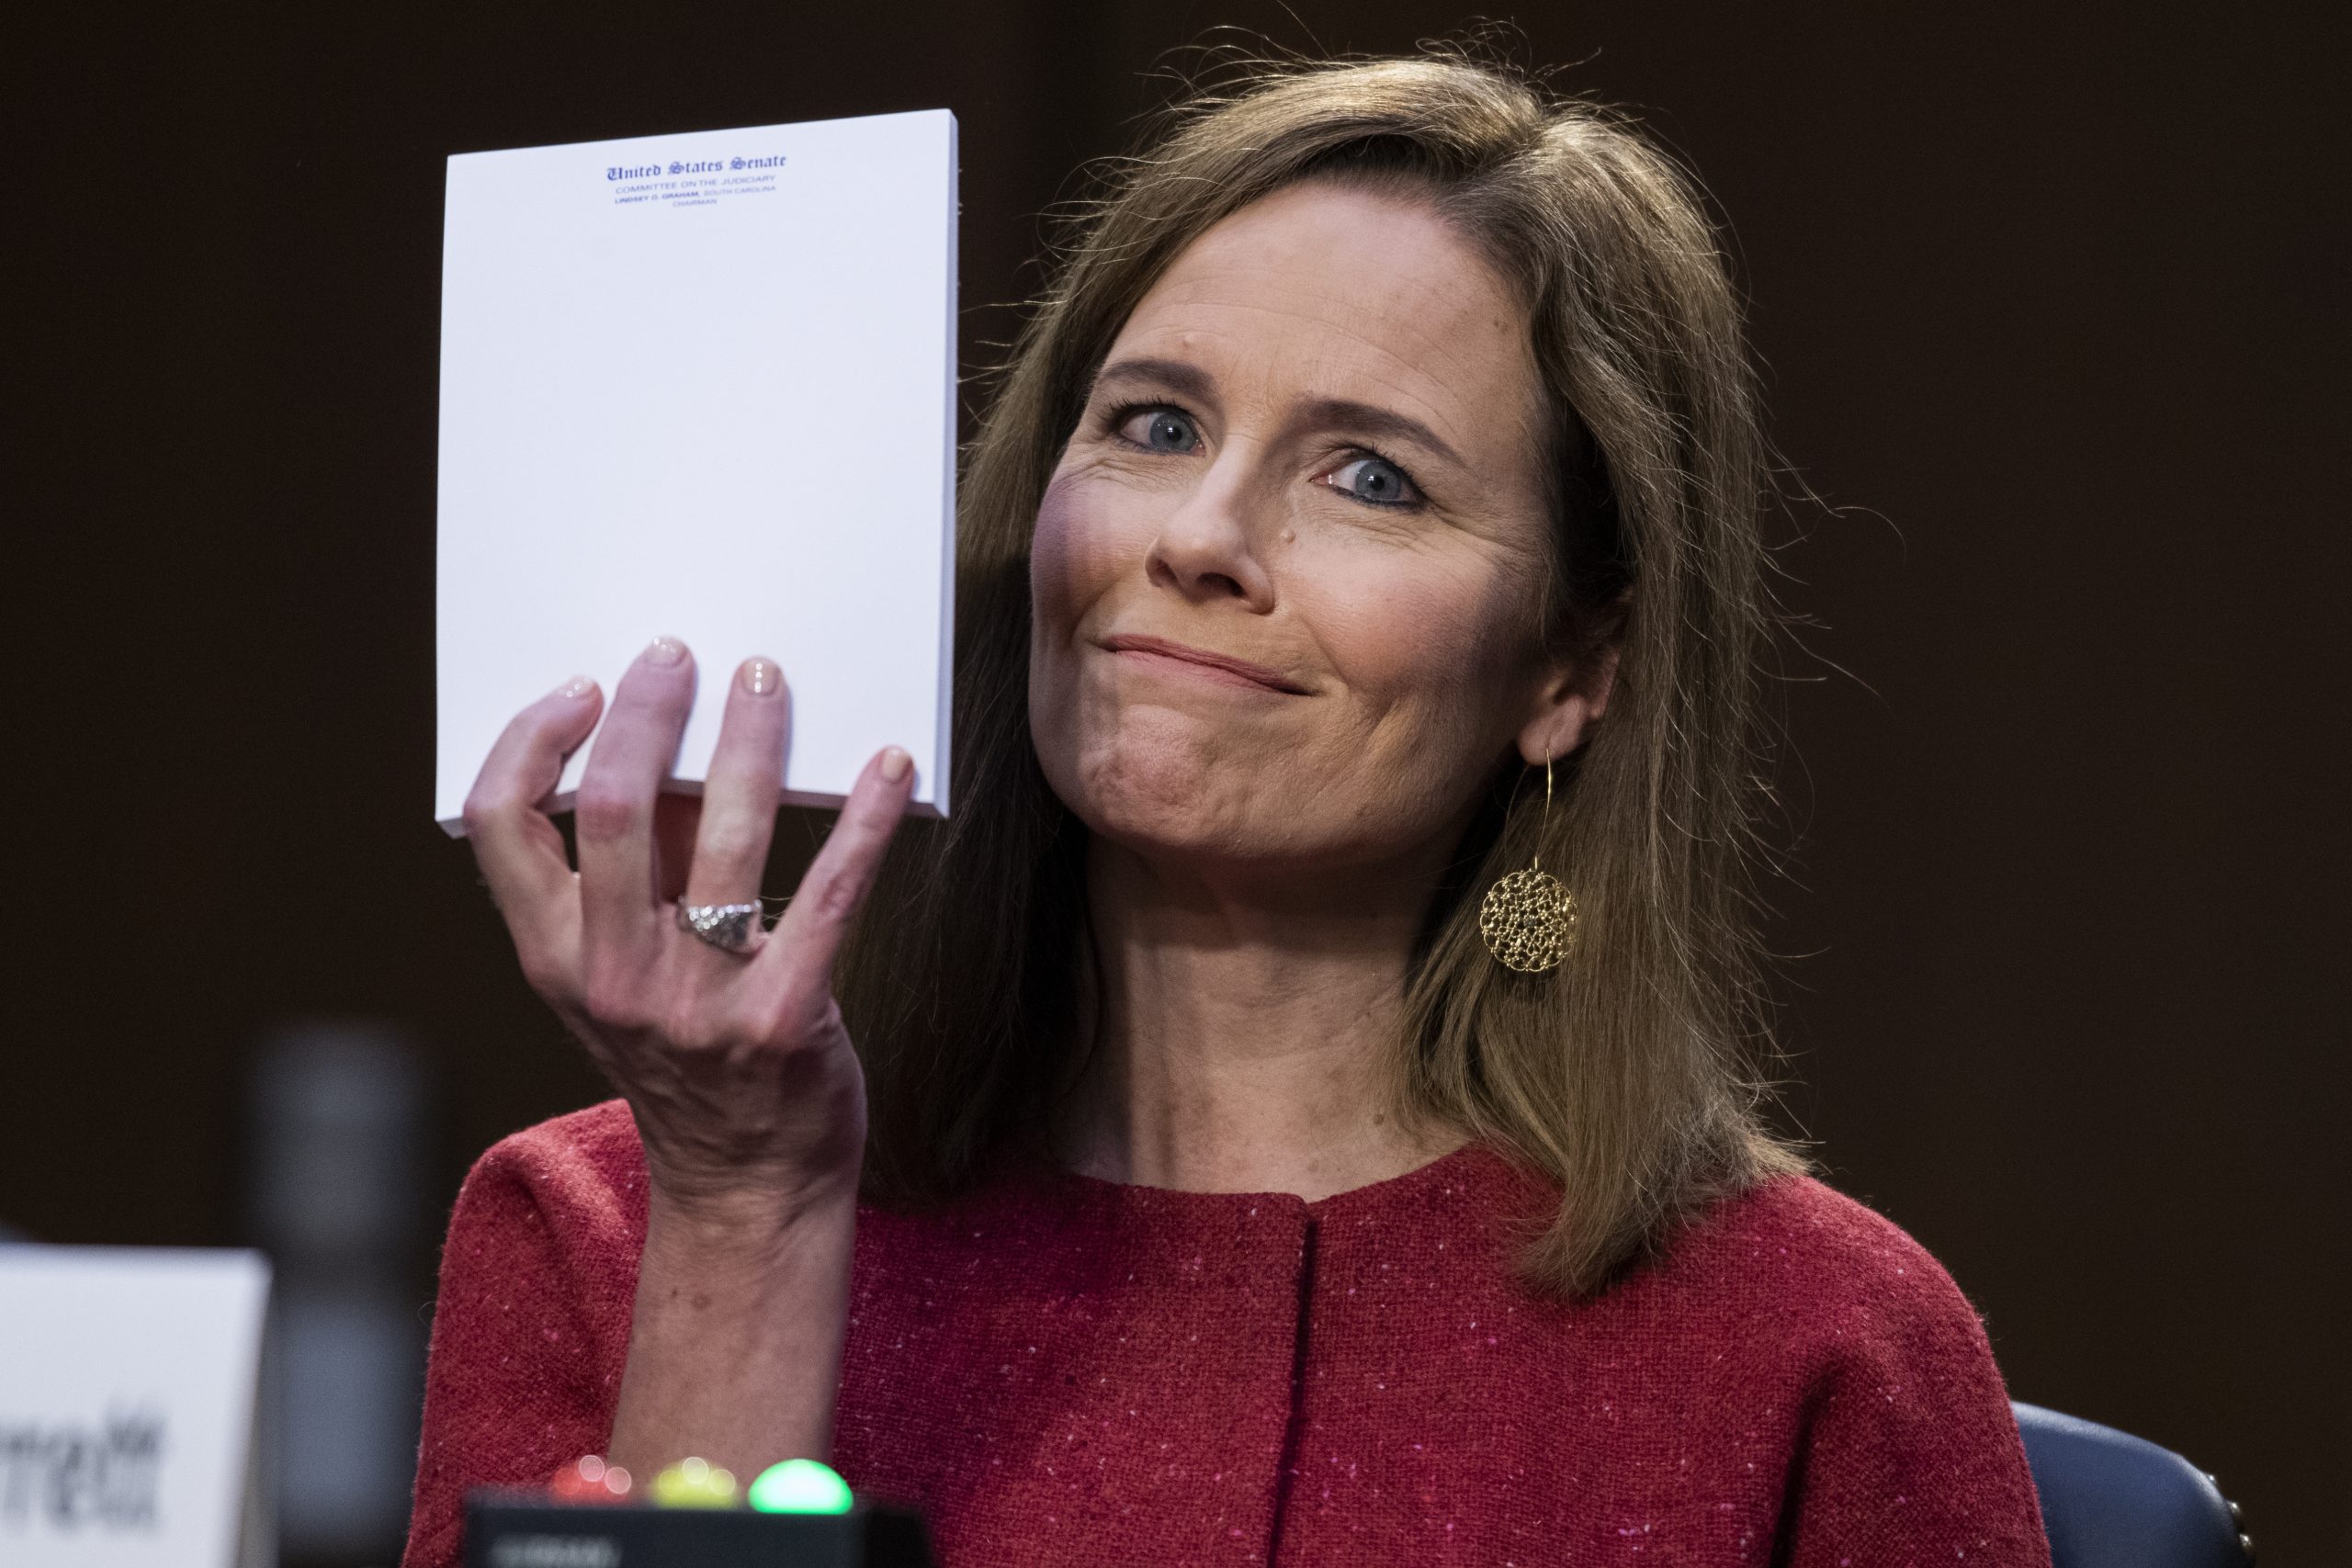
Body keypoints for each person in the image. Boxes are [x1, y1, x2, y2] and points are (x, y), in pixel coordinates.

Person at [402, 53, 2052, 1568]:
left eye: (1371, 476)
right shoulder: (606, 1236)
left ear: (1570, 664)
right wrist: (745, 1218)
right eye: (1155, 424)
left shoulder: (1819, 1348)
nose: (1196, 533)